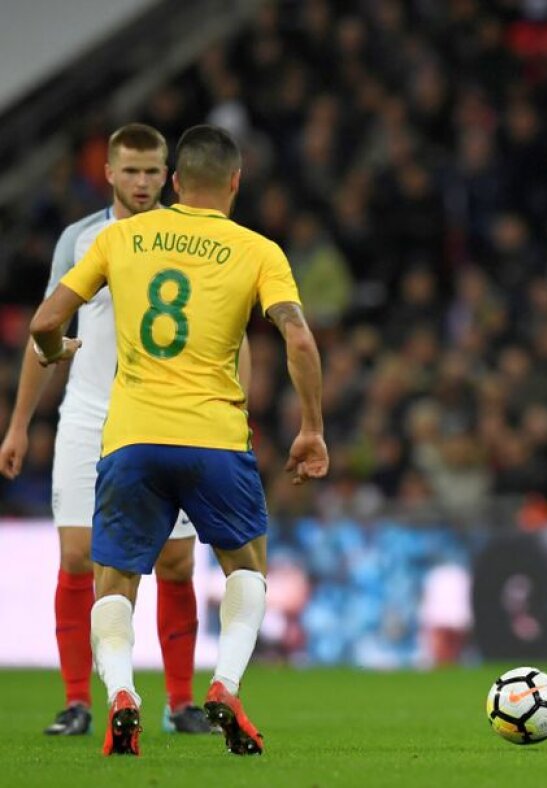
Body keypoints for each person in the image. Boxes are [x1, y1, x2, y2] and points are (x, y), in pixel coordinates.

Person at [28, 124, 328, 756]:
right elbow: (297, 337)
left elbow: (46, 322)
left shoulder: (119, 237)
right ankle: (222, 685)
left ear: (172, 181)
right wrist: (311, 427)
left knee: (114, 581)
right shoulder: (259, 250)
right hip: (215, 437)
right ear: (236, 183)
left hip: (132, 435)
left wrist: (58, 352)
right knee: (245, 566)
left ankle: (119, 696)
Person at [0, 123, 224, 736]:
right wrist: (19, 424)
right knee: (76, 558)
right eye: (131, 171)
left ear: (170, 175)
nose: (143, 183)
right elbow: (44, 335)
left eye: (153, 171)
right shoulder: (81, 239)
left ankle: (180, 703)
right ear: (109, 172)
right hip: (89, 414)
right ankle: (78, 702)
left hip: (163, 414)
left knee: (176, 563)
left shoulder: (191, 238)